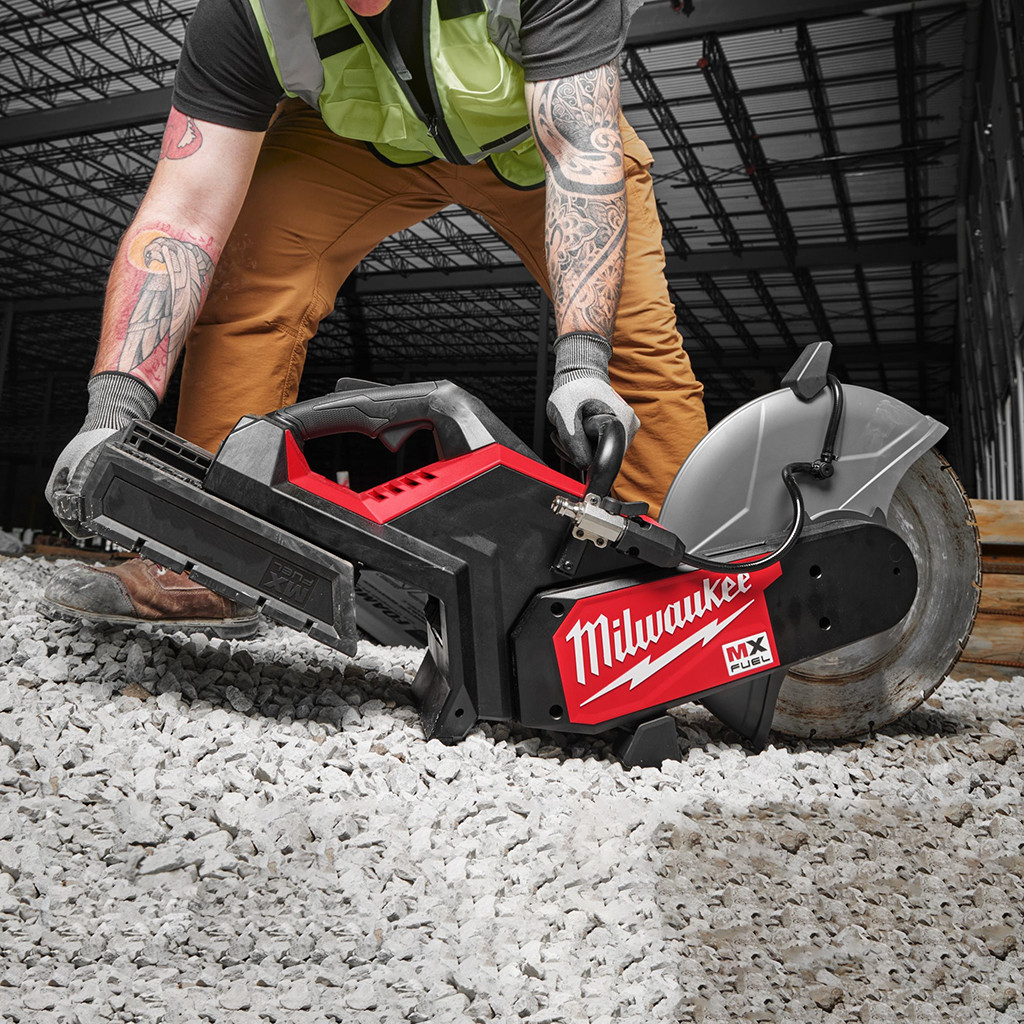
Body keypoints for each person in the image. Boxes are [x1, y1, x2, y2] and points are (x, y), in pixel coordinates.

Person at [42, 0, 708, 639]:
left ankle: (694, 595)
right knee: (248, 279)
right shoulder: (245, 12)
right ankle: (207, 560)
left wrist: (584, 359)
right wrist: (112, 415)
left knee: (628, 340)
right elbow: (184, 216)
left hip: (542, 136)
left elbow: (581, 152)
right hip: (361, 144)